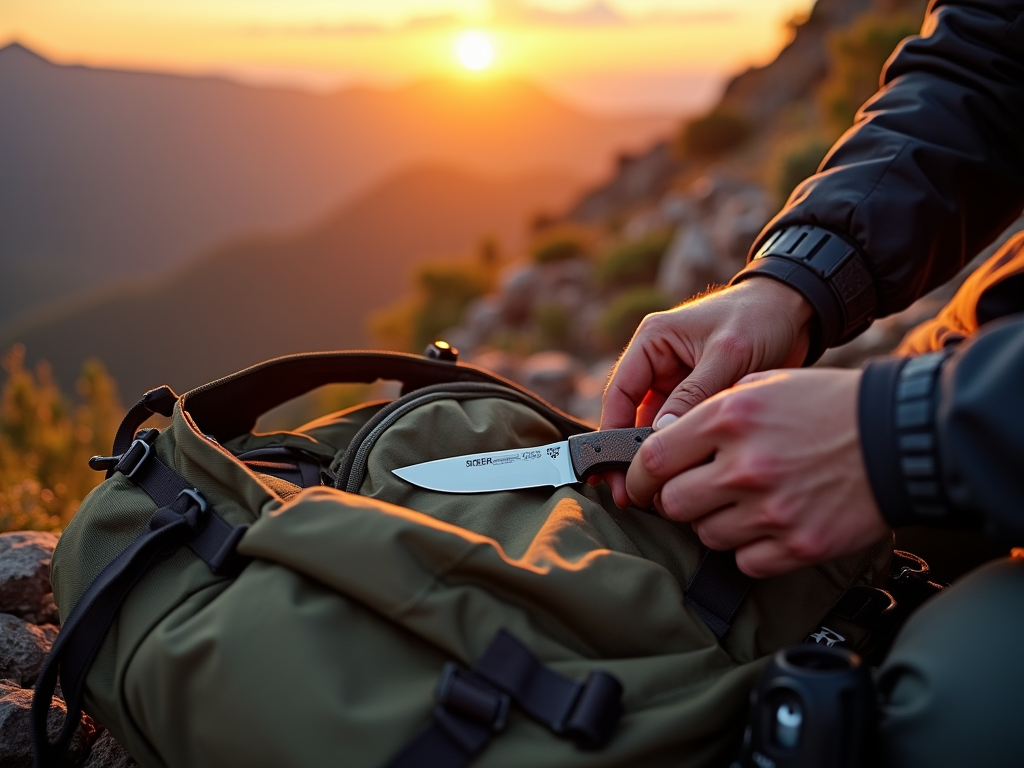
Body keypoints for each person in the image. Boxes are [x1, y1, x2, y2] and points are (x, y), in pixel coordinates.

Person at [598, 1, 1024, 764]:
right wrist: (796, 277)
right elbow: (988, 63)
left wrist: (906, 433)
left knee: (950, 710)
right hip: (993, 352)